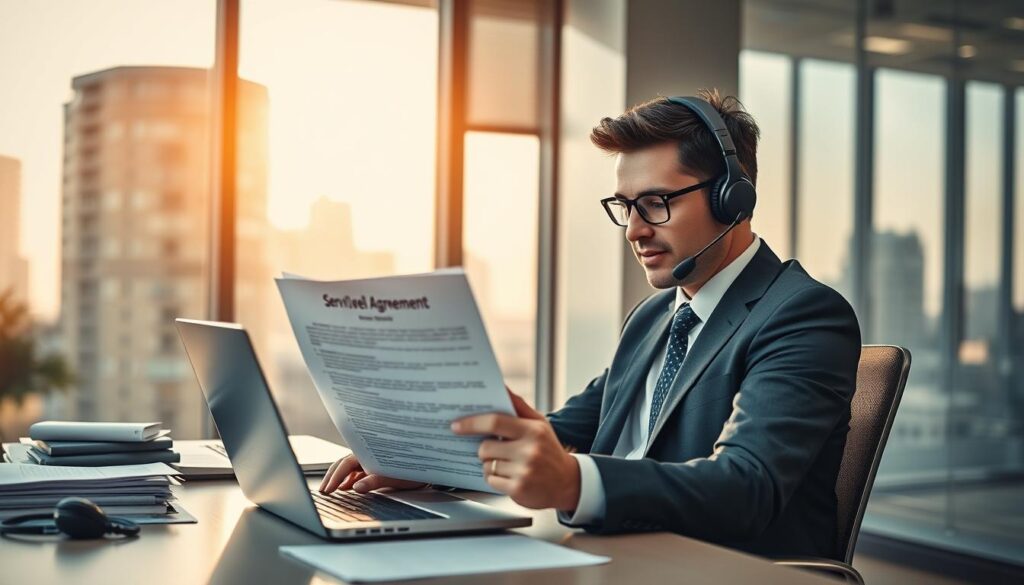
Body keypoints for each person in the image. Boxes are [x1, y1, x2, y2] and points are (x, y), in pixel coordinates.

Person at [319, 89, 861, 558]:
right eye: (624, 206)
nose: (633, 231)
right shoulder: (655, 317)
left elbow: (748, 487)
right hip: (615, 554)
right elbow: (564, 430)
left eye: (654, 203)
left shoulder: (803, 315)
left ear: (732, 198)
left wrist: (573, 480)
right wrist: (433, 461)